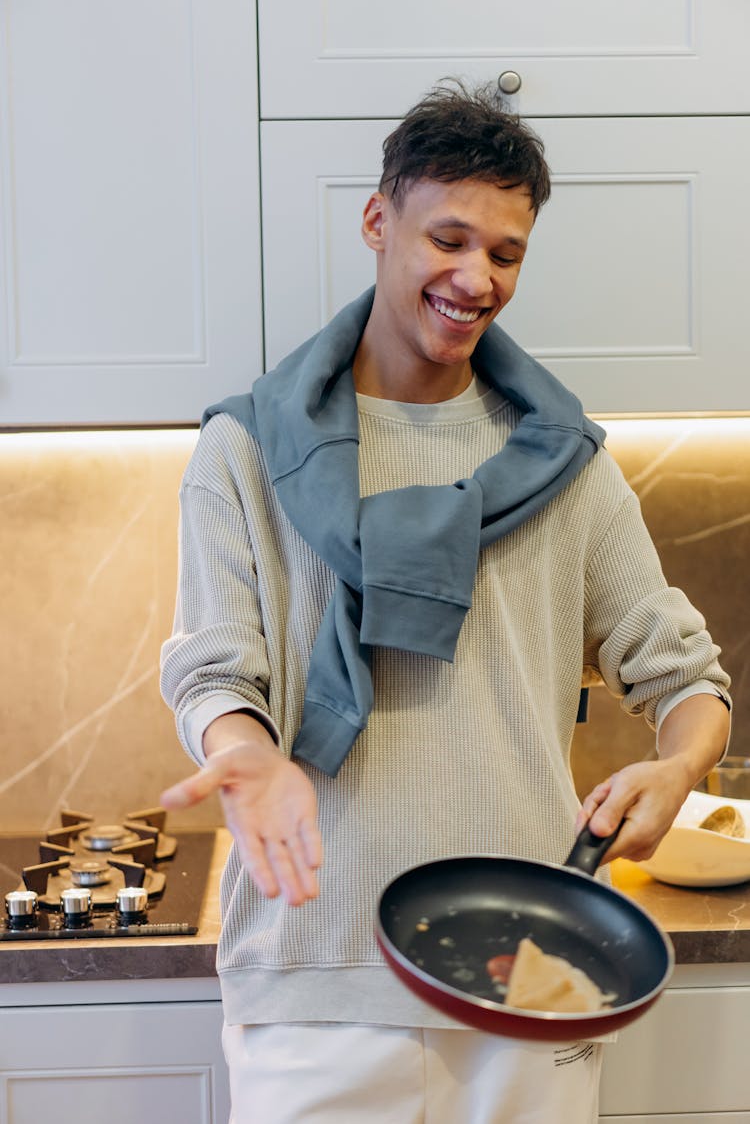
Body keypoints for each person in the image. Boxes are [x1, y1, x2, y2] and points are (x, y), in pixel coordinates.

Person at [159, 81, 731, 1123]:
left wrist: (681, 761)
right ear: (379, 222)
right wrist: (242, 748)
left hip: (529, 975)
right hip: (311, 980)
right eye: (448, 238)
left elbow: (686, 675)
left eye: (505, 253)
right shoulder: (243, 451)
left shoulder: (564, 466)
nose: (476, 278)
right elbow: (213, 667)